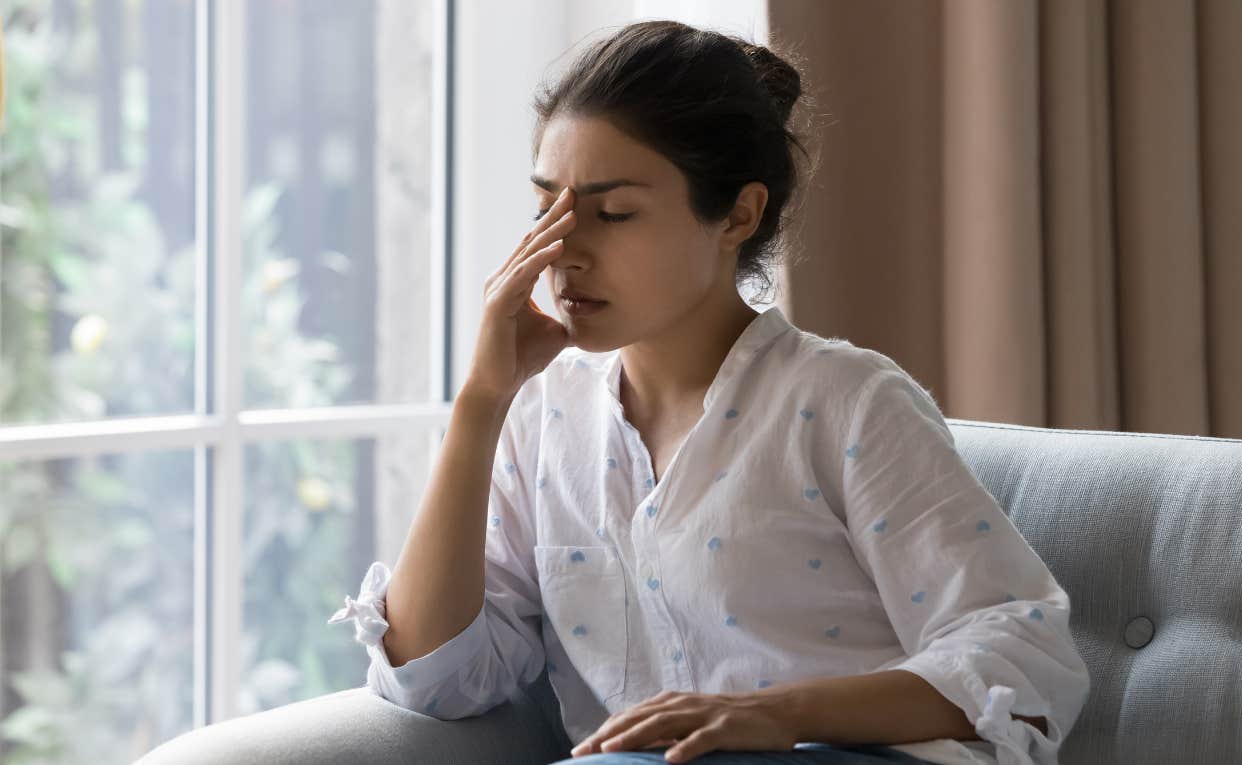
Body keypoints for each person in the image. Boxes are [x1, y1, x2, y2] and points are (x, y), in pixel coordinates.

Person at [329, 19, 1089, 765]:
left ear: (738, 214)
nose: (562, 251)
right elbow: (433, 676)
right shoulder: (543, 417)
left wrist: (770, 714)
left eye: (612, 213)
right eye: (545, 209)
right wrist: (480, 403)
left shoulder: (845, 401)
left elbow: (1021, 652)